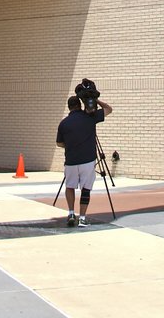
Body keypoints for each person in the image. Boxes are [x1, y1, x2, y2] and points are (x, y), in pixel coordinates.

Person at [56, 92, 112, 227]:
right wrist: (95, 100)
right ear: (80, 105)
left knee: (70, 186)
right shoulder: (90, 117)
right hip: (88, 160)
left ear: (69, 107)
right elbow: (109, 109)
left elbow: (59, 143)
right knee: (85, 189)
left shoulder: (63, 123)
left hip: (71, 160)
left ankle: (70, 213)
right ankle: (82, 218)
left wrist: (70, 146)